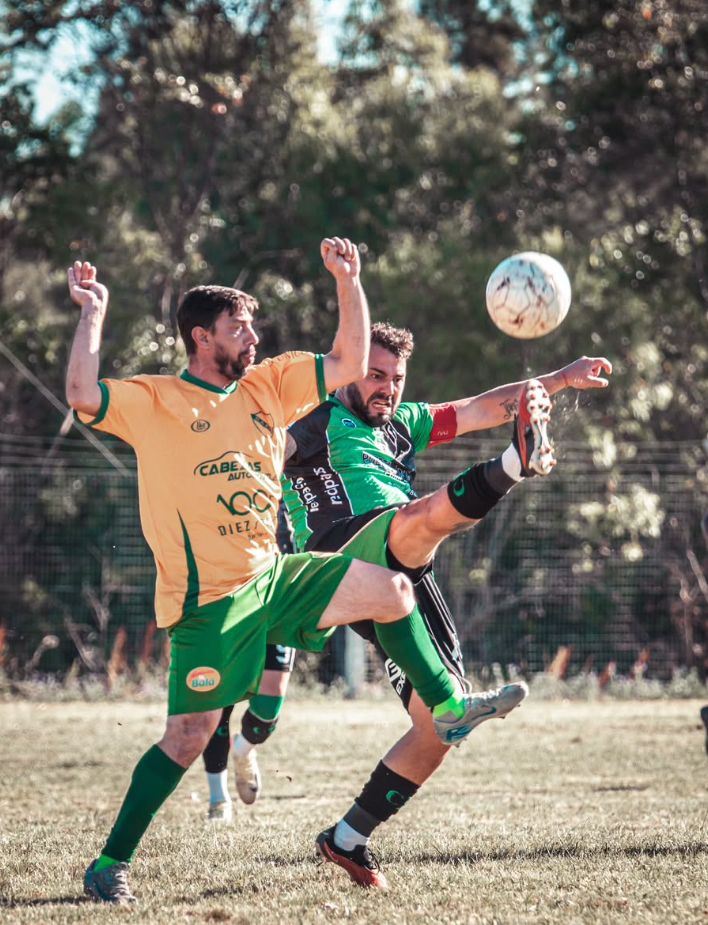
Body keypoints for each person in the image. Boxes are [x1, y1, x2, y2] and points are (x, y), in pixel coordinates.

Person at [66, 239, 527, 905]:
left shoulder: (269, 384)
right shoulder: (157, 399)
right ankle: (110, 863)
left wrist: (349, 281)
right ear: (201, 337)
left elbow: (348, 360)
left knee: (393, 588)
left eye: (252, 326)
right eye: (238, 328)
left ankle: (448, 706)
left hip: (275, 575)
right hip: (210, 601)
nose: (252, 337)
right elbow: (82, 394)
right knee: (190, 735)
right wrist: (92, 312)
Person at [205, 322, 612, 887]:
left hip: (403, 570)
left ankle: (348, 838)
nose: (387, 388)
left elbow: (476, 408)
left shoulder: (404, 423)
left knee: (438, 727)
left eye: (396, 378)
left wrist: (561, 378)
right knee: (417, 520)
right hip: (340, 552)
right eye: (375, 375)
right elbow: (261, 453)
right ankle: (513, 464)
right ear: (348, 373)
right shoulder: (315, 418)